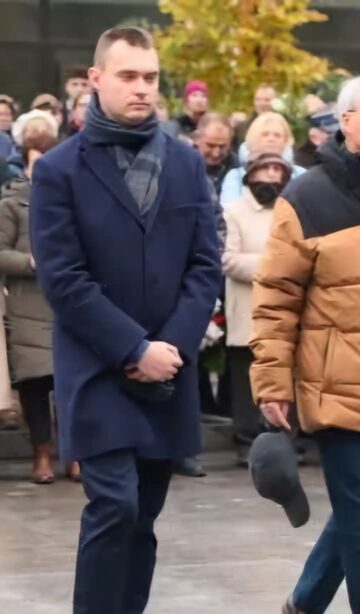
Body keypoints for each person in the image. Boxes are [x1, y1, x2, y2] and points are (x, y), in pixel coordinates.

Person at [29, 27, 220, 613]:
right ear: (95, 79)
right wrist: (133, 349)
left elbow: (204, 264)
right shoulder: (58, 170)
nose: (142, 88)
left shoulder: (186, 163)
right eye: (128, 76)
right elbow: (63, 278)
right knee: (115, 504)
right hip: (97, 367)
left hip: (169, 370)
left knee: (144, 516)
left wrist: (173, 346)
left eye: (150, 77)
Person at [249, 71, 360, 614]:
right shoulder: (307, 197)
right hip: (335, 389)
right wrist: (272, 381)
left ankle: (304, 602)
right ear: (345, 121)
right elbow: (276, 298)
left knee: (359, 514)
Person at [0, 130, 76, 483]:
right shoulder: (11, 203)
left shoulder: (73, 198)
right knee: (34, 384)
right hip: (27, 305)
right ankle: (42, 454)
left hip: (68, 302)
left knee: (70, 384)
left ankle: (75, 454)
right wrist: (30, 261)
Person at [222, 152, 292, 466]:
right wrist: (275, 265)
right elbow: (228, 259)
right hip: (247, 309)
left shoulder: (290, 211)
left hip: (285, 308)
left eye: (278, 170)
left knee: (285, 373)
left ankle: (286, 437)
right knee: (244, 377)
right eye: (265, 170)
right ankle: (245, 440)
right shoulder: (233, 212)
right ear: (250, 176)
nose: (272, 176)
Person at [220, 112, 305, 205]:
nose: (271, 139)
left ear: (286, 141)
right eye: (265, 134)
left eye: (277, 135)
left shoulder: (300, 175)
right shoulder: (235, 176)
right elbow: (228, 209)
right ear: (253, 139)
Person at [194, 112, 238, 196]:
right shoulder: (181, 164)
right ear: (197, 139)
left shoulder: (237, 168)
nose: (216, 154)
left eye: (222, 146)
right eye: (210, 146)